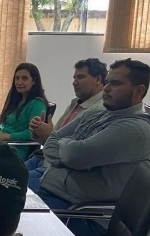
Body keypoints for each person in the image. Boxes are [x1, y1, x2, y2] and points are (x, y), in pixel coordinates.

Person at [32, 59, 150, 236]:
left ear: (139, 91)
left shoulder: (132, 129)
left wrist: (68, 151)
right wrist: (69, 152)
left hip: (84, 215)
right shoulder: (97, 113)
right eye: (107, 82)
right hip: (59, 193)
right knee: (0, 191)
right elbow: (53, 140)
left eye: (116, 83)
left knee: (7, 214)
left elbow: (74, 156)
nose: (106, 88)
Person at [25, 58, 107, 189]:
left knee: (8, 186)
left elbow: (75, 154)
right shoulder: (77, 103)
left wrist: (48, 136)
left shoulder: (99, 110)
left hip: (56, 171)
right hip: (43, 160)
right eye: (74, 78)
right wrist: (39, 133)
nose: (75, 83)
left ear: (98, 79)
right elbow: (54, 139)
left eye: (80, 77)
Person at [0, 63, 48, 160]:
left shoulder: (37, 104)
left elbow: (34, 134)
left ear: (34, 81)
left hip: (15, 150)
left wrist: (8, 136)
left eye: (24, 78)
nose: (19, 82)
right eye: (17, 78)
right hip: (2, 145)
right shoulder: (15, 101)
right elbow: (12, 126)